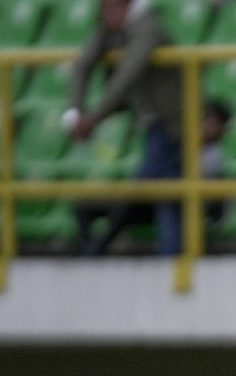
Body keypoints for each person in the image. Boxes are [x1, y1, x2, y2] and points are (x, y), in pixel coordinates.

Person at [66, 0, 184, 256]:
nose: (107, 16)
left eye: (111, 8)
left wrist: (93, 118)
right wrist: (74, 111)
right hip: (156, 128)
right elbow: (83, 63)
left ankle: (99, 247)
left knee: (150, 193)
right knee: (167, 198)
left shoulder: (148, 27)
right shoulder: (112, 27)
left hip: (175, 127)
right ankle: (170, 258)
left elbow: (126, 76)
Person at [73, 100, 230, 256]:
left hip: (178, 205)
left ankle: (97, 252)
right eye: (205, 119)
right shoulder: (175, 143)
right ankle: (92, 252)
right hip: (154, 199)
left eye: (212, 122)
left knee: (159, 206)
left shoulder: (213, 156)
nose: (205, 125)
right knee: (91, 206)